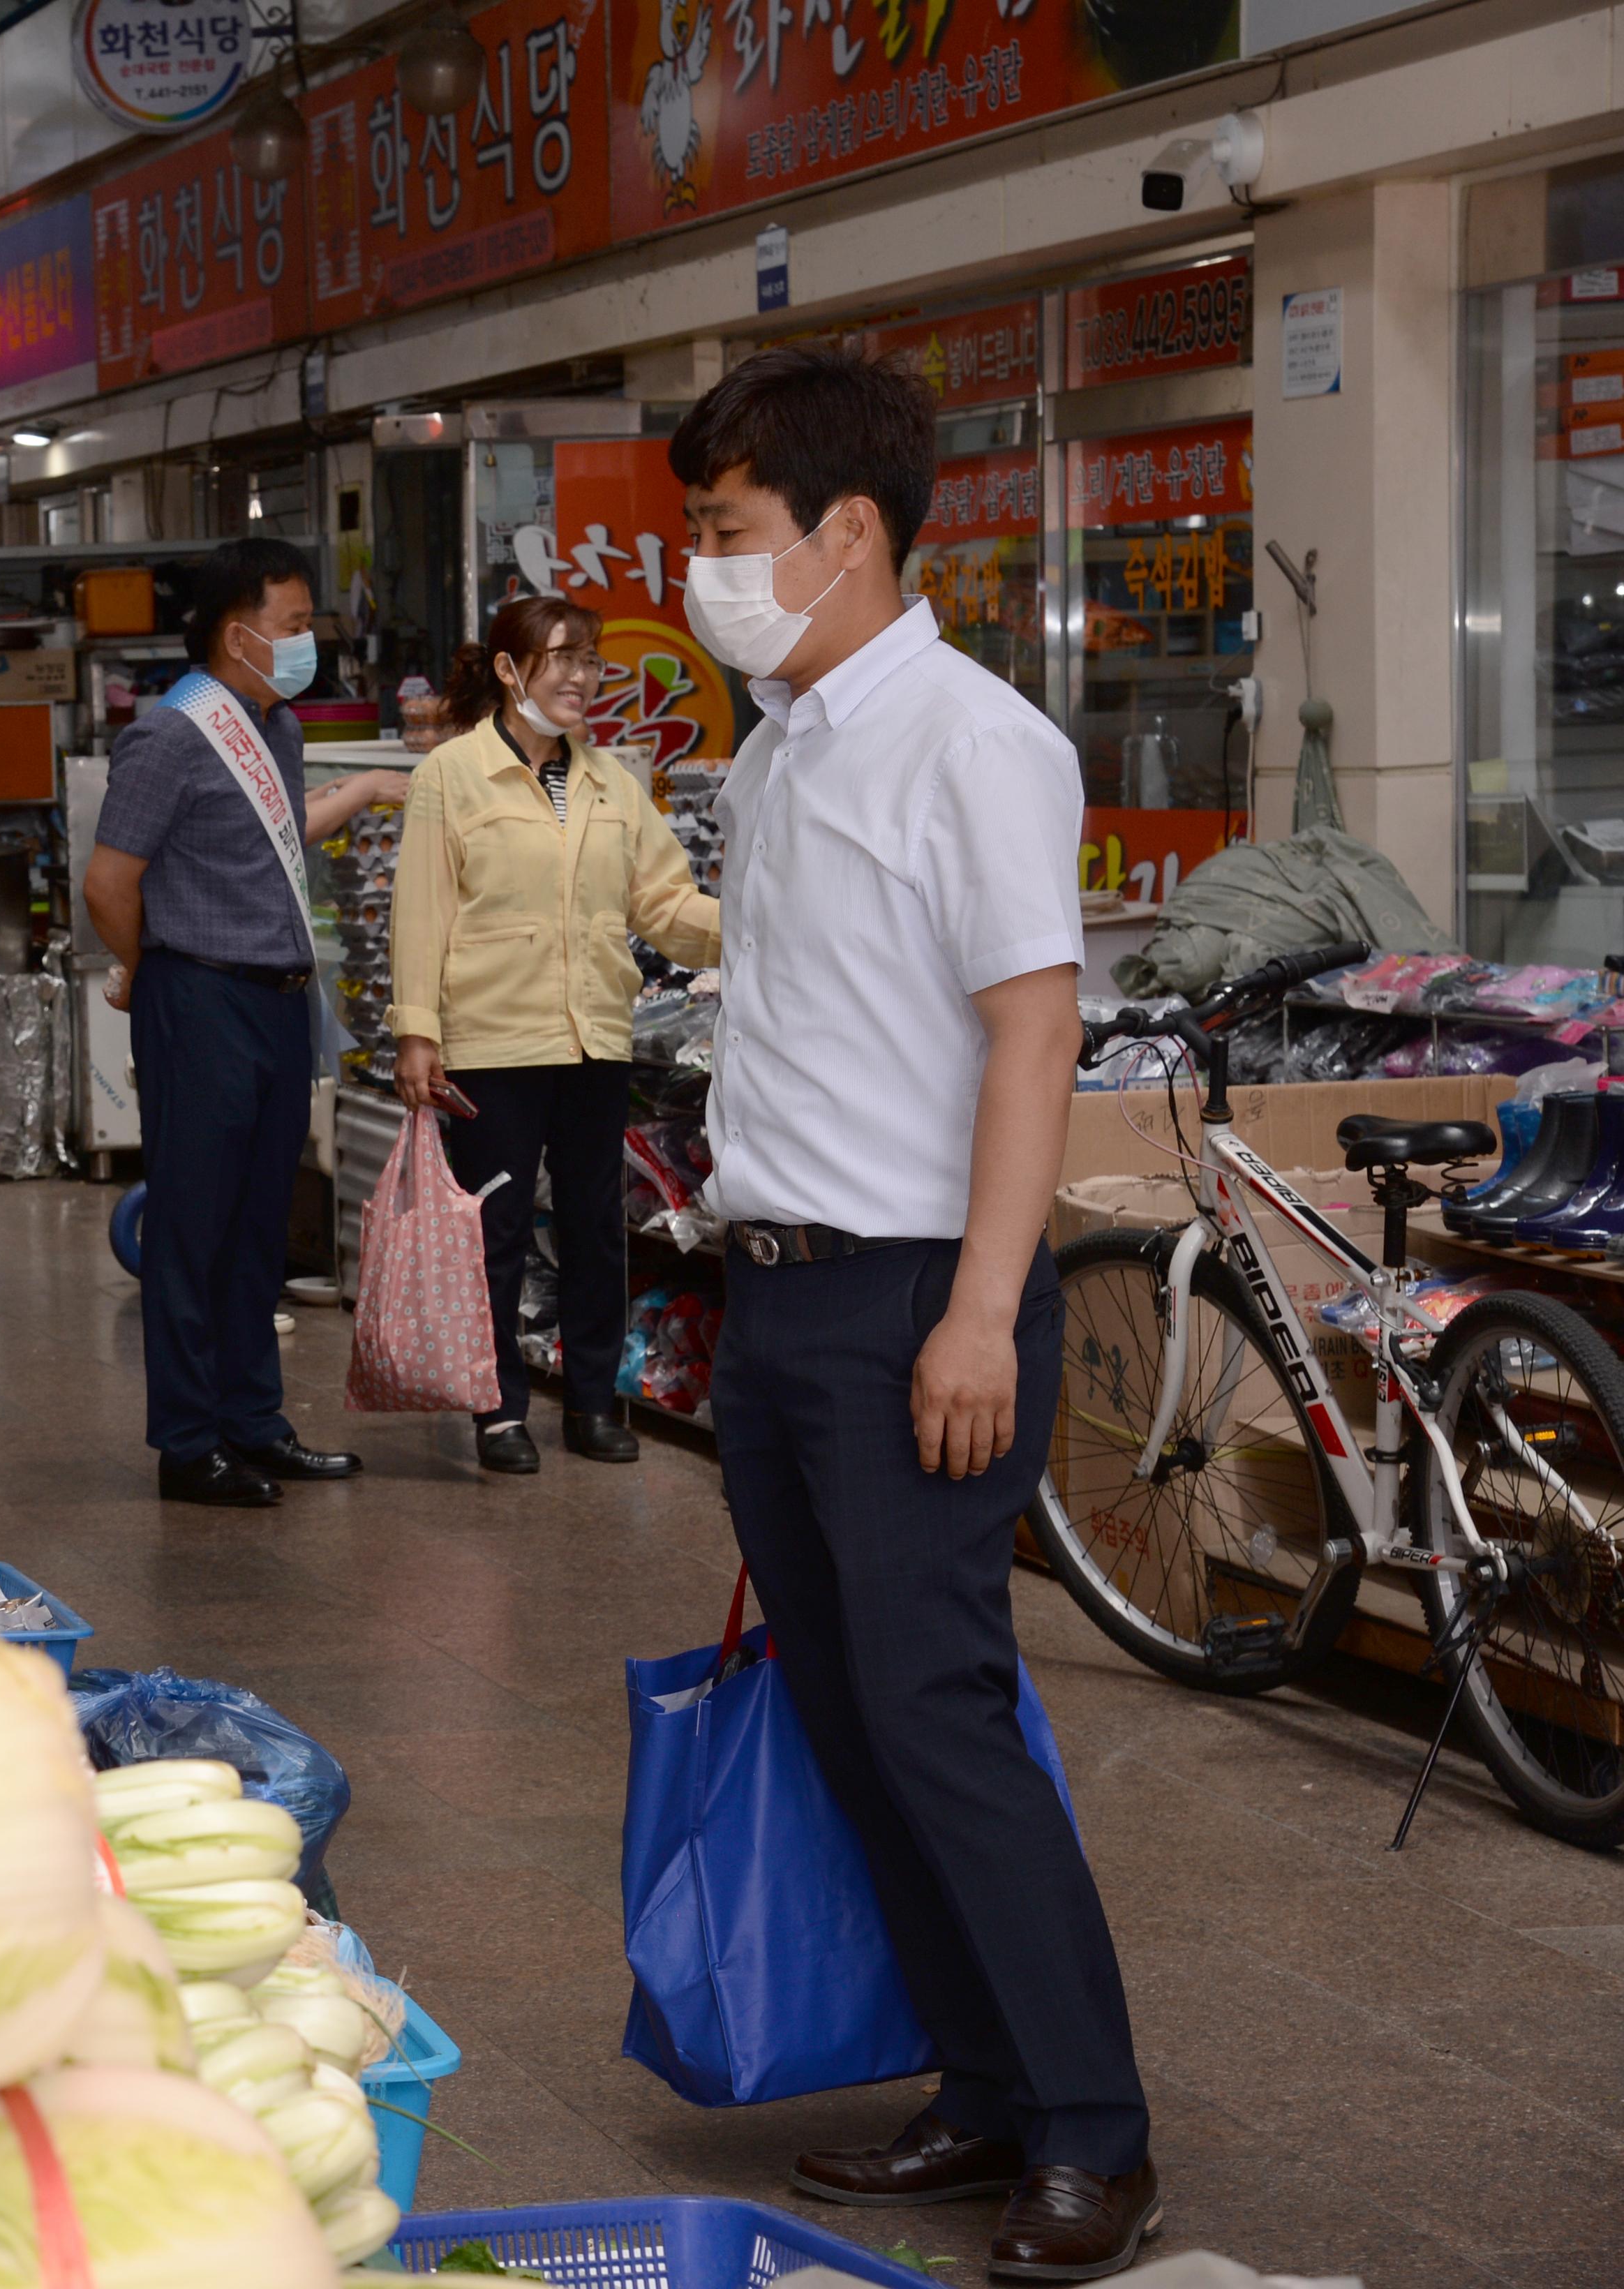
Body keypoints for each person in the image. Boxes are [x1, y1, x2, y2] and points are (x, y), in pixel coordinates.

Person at [670, 345, 1152, 2280]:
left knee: (940, 1716)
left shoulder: (974, 740)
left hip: (911, 1309)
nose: (702, 569)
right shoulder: (780, 747)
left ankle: (1095, 2139)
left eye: (727, 533)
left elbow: (1033, 1038)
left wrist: (981, 1310)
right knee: (857, 1721)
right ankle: (981, 2089)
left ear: (846, 532)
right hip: (780, 1300)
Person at [82, 537, 402, 1508]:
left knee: (265, 1224)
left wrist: (361, 792)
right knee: (194, 1224)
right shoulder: (169, 735)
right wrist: (149, 972)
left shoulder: (278, 728)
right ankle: (189, 1442)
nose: (309, 644)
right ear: (237, 634)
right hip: (201, 996)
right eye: (295, 626)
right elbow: (109, 881)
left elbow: (261, 837)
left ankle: (254, 1423)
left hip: (277, 999)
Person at [386, 595, 718, 1475]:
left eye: (590, 659)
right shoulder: (450, 776)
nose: (580, 676)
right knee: (493, 1229)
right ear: (507, 668)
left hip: (593, 1038)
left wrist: (759, 923)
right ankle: (498, 1412)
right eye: (561, 657)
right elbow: (420, 911)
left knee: (593, 1227)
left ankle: (593, 1403)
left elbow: (663, 904)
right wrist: (416, 1032)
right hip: (490, 1041)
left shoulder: (610, 781)